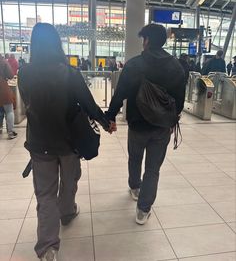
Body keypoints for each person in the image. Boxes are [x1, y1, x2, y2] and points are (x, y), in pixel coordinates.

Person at [18, 23, 114, 261]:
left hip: (40, 143)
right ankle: (68, 212)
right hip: (70, 141)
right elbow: (89, 103)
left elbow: (30, 103)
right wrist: (105, 122)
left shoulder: (25, 73)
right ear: (56, 44)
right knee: (70, 179)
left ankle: (49, 248)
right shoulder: (70, 73)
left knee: (45, 193)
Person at [106, 24, 185, 225]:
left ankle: (134, 187)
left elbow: (120, 94)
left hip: (137, 124)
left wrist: (111, 116)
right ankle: (143, 210)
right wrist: (170, 120)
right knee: (152, 169)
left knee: (135, 157)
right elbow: (180, 101)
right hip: (161, 128)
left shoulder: (134, 65)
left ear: (147, 40)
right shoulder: (176, 66)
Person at [0, 54, 17, 139]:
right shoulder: (3, 62)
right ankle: (10, 132)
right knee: (9, 110)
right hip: (2, 87)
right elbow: (10, 75)